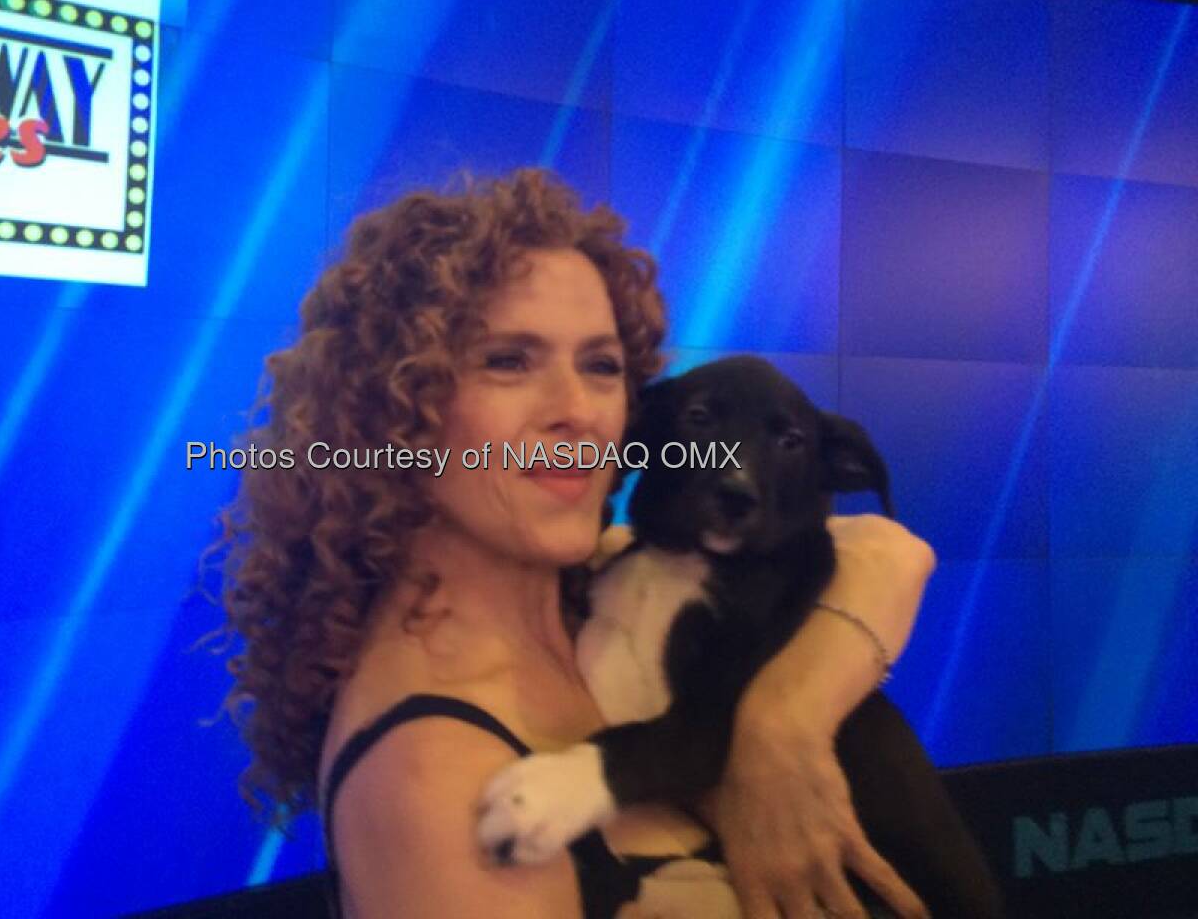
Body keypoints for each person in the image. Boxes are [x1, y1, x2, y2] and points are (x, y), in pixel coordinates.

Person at [219, 168, 936, 919]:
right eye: (508, 361)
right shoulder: (433, 774)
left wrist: (778, 729)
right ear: (394, 416)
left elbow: (887, 555)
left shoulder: (603, 584)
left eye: (600, 366)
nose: (578, 412)